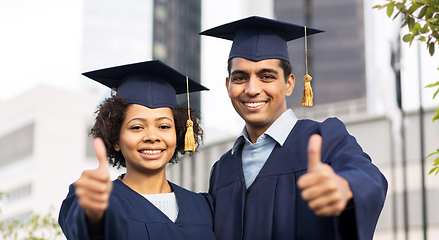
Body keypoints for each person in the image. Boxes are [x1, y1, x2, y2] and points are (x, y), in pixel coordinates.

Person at [200, 16, 388, 240]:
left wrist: (345, 187)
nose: (252, 89)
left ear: (289, 84)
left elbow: (367, 175)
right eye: (240, 78)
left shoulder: (323, 138)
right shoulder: (222, 169)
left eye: (266, 76)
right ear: (228, 85)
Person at [58, 60, 217, 240]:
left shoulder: (203, 206)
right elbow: (83, 227)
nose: (152, 136)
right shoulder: (100, 199)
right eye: (137, 127)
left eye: (164, 126)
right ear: (115, 139)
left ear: (179, 133)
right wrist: (92, 215)